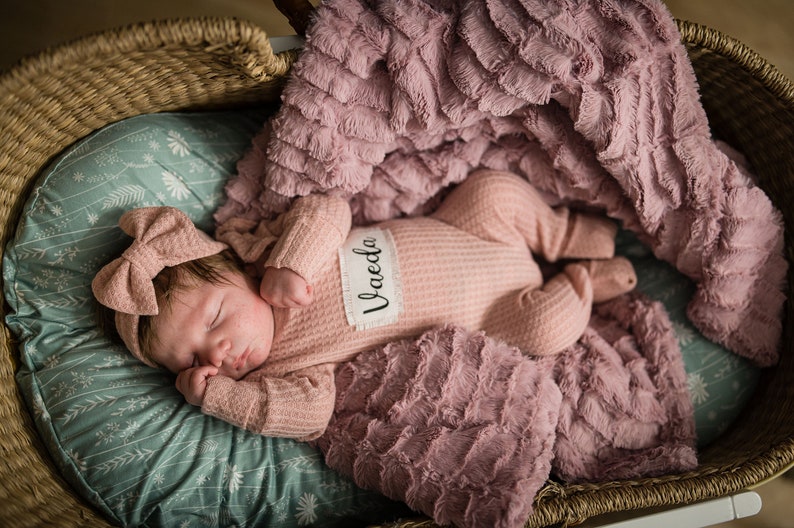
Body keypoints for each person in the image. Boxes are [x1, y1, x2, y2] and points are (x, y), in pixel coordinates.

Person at [92, 169, 636, 441]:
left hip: (466, 227)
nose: (219, 350)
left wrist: (294, 262)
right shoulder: (281, 373)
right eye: (193, 361)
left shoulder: (263, 253)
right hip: (499, 309)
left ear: (231, 268)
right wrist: (220, 398)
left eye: (214, 319)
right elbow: (310, 416)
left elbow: (329, 208)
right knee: (546, 329)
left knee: (491, 188)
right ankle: (583, 281)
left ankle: (568, 235)